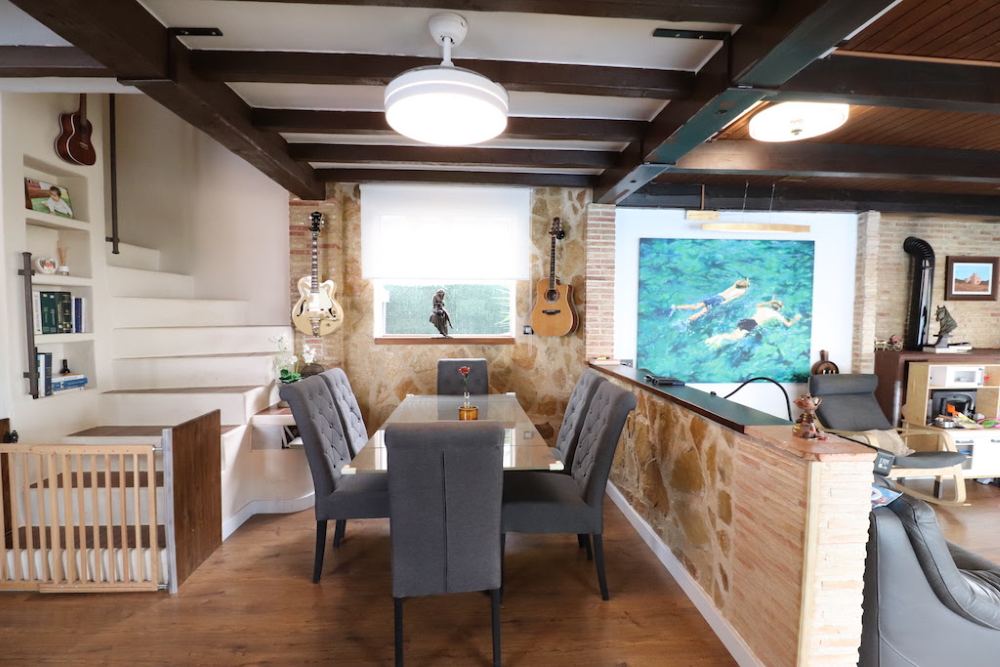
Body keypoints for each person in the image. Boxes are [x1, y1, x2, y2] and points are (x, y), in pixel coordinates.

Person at [704, 299, 802, 349]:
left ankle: (716, 340)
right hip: (752, 324)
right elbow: (788, 324)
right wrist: (796, 319)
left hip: (746, 320)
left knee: (734, 335)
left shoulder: (764, 308)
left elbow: (758, 304)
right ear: (779, 308)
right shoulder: (777, 314)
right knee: (736, 338)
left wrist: (769, 302)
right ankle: (716, 339)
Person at [670, 278, 750, 322]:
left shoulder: (734, 286)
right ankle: (687, 321)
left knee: (695, 306)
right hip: (720, 300)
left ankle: (676, 307)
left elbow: (737, 283)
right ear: (745, 286)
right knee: (701, 312)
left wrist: (746, 281)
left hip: (715, 297)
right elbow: (733, 298)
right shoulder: (742, 291)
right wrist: (723, 303)